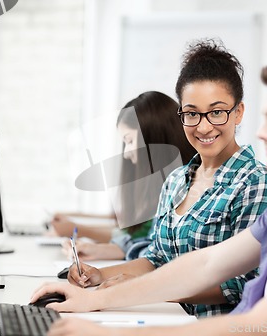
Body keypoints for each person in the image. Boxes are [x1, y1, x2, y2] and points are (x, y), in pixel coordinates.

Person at [33, 55, 267, 336]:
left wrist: (116, 333)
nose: (260, 132)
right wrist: (93, 300)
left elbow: (262, 327)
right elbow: (207, 265)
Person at [50, 39, 267, 317]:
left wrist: (142, 289)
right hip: (166, 315)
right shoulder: (175, 181)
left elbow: (245, 284)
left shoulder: (257, 184)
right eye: (192, 114)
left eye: (217, 112)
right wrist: (100, 274)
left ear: (238, 112)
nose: (204, 126)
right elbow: (157, 259)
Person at [58, 91, 197, 260]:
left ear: (152, 138)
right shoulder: (166, 185)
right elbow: (147, 244)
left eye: (129, 141)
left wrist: (79, 229)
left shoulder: (186, 187)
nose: (126, 153)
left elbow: (152, 249)